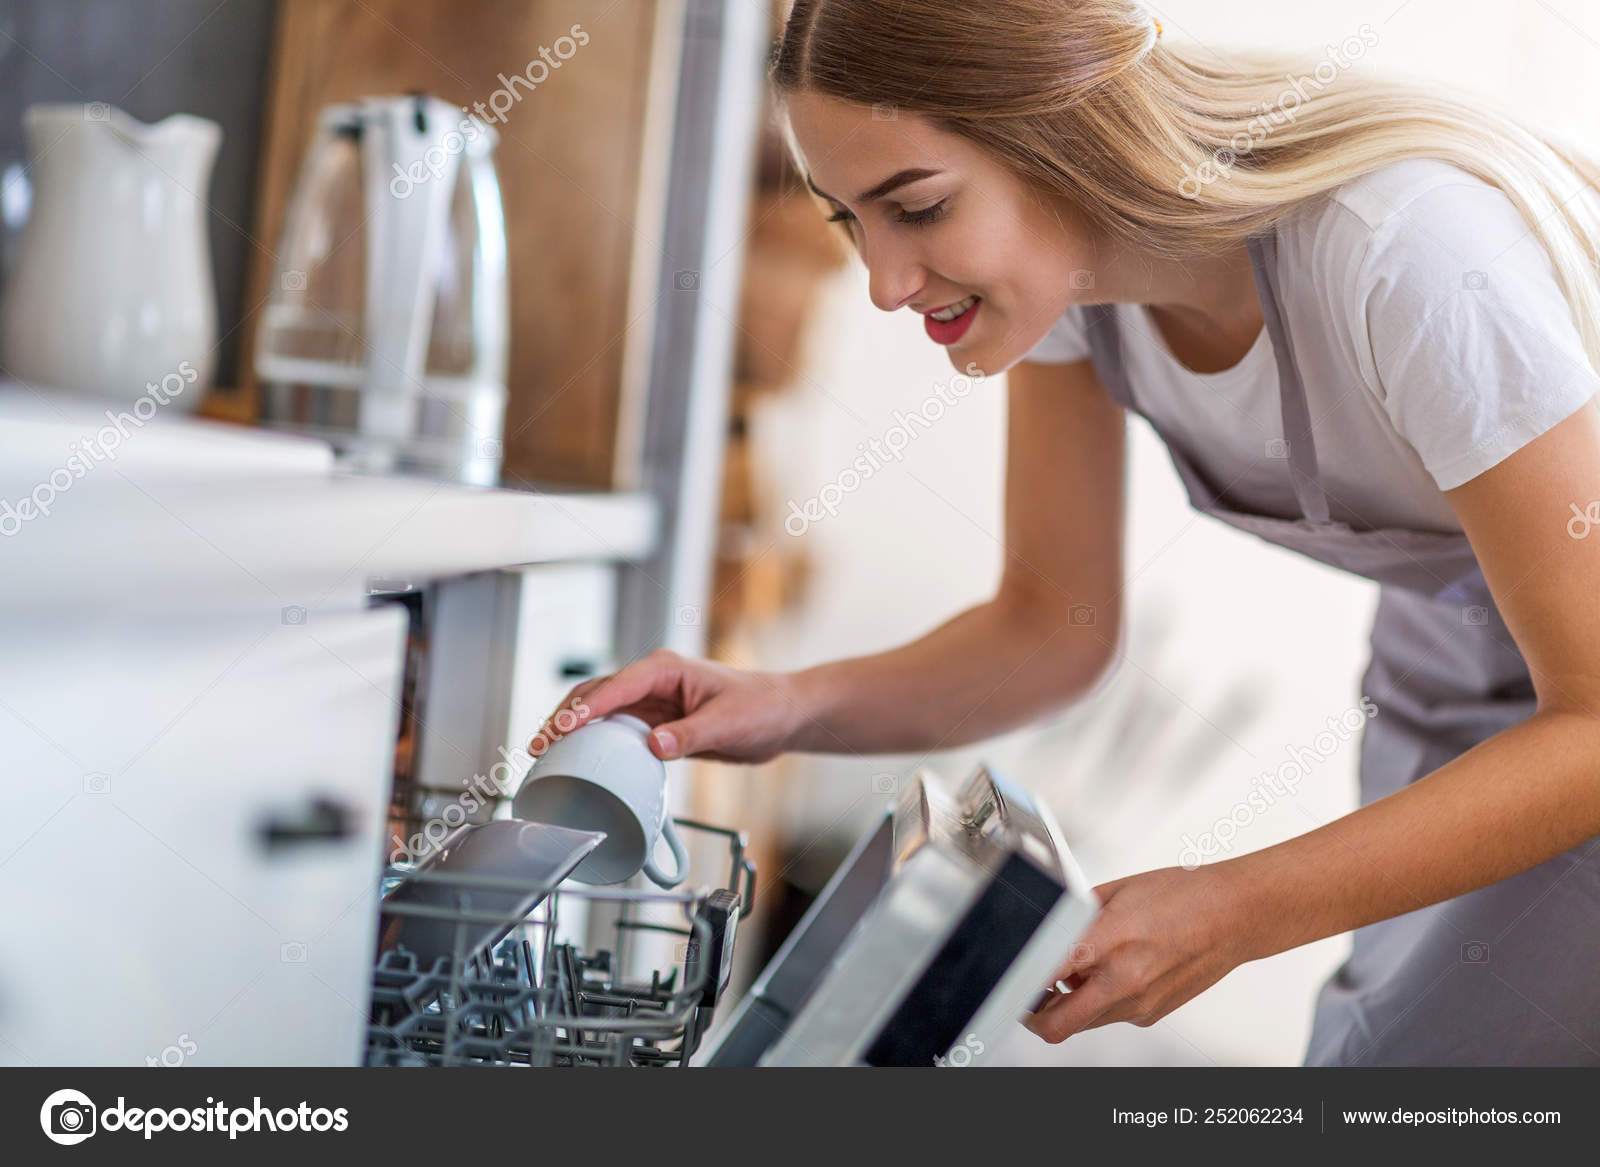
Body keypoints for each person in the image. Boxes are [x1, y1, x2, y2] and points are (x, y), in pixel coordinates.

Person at [533, 0, 1600, 1065]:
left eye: (919, 207)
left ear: (1062, 136)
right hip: (1454, 670)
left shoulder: (1409, 257)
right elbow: (1051, 628)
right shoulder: (1068, 291)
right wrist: (780, 705)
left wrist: (1229, 908)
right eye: (849, 219)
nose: (885, 283)